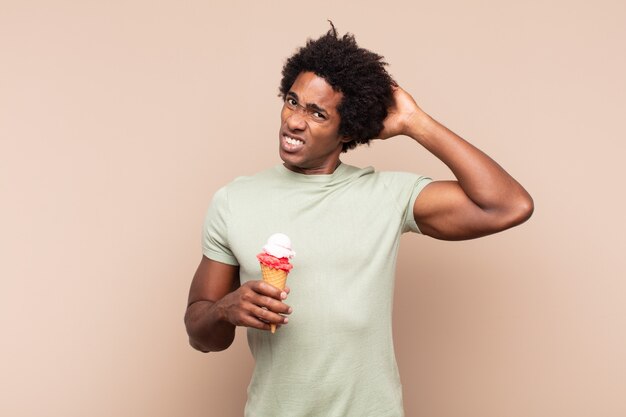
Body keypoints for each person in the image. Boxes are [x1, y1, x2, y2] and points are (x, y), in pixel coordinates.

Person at [184, 23, 533, 417]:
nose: (295, 121)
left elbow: (508, 205)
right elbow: (201, 335)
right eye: (293, 101)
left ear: (347, 130)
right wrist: (224, 310)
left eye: (318, 113)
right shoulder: (235, 201)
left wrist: (414, 122)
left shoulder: (386, 196)